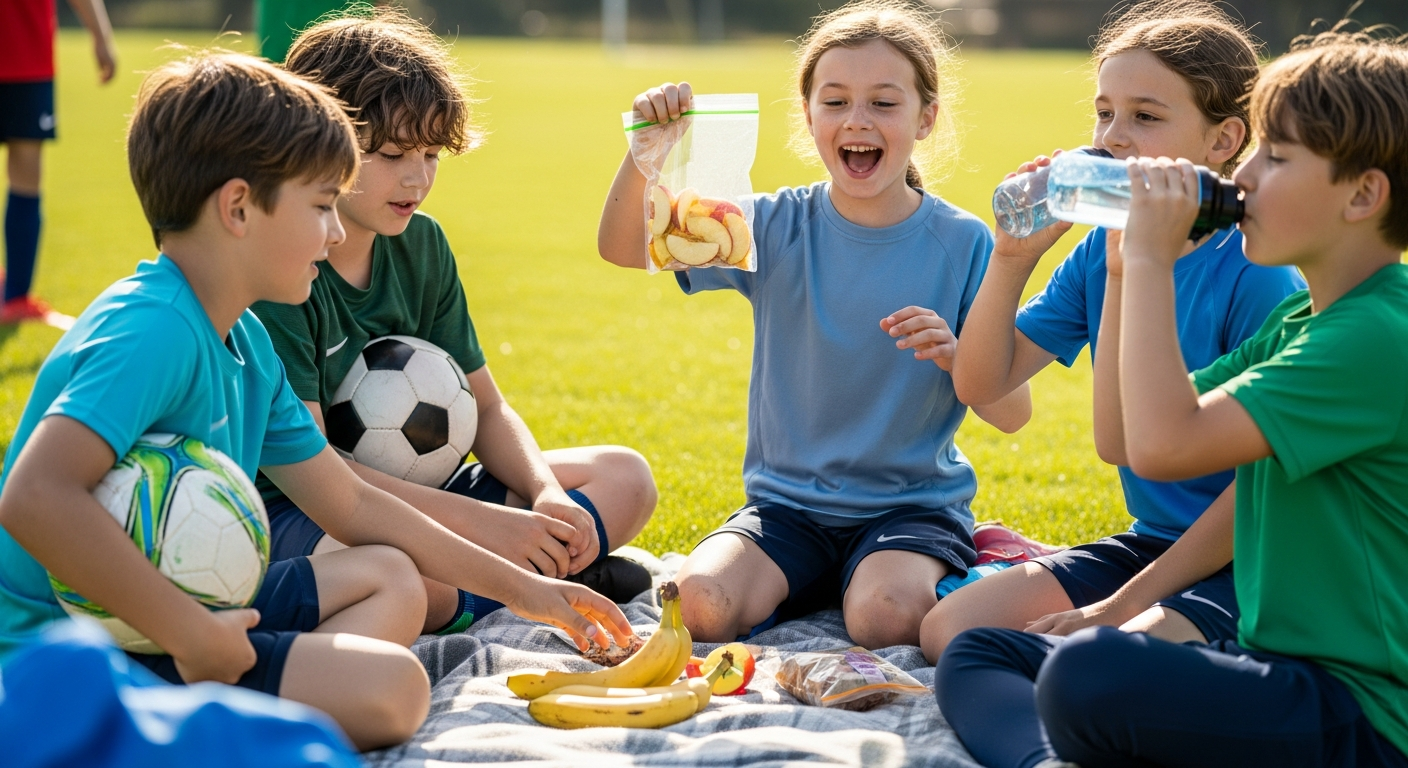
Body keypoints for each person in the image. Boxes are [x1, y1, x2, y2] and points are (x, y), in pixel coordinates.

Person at [0, 51, 631, 749]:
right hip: (74, 649)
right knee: (396, 690)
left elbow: (353, 503)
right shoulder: (151, 329)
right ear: (238, 207)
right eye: (323, 206)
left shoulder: (245, 340)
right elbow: (35, 497)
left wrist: (529, 592)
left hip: (189, 616)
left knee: (391, 575)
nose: (334, 233)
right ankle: (167, 722)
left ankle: (215, 712)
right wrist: (193, 635)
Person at [937, 29, 1408, 768]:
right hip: (1281, 661)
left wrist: (1150, 259)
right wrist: (1121, 267)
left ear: (1363, 194)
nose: (1245, 178)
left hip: (1363, 713)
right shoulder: (1306, 320)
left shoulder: (1372, 336)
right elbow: (1129, 438)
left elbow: (1162, 445)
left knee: (1089, 671)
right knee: (977, 650)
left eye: (1275, 158)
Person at [597, 0, 1031, 649]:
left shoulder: (964, 241)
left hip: (911, 509)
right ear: (809, 117)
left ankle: (961, 561)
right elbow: (624, 247)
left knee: (885, 617)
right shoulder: (769, 226)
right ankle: (816, 579)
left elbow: (1012, 413)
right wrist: (645, 158)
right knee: (701, 605)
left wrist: (958, 352)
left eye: (884, 102)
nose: (857, 120)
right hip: (785, 510)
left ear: (927, 117)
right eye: (836, 101)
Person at [919, 0, 1306, 664]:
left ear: (1223, 141)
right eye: (1104, 113)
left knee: (1105, 660)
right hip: (1154, 538)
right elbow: (981, 381)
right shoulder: (1101, 251)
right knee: (944, 630)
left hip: (1254, 552)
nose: (1111, 138)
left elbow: (1228, 485)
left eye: (1145, 117)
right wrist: (1013, 258)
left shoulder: (1257, 275)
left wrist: (1123, 604)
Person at [251, 11, 658, 638]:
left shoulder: (423, 245)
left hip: (432, 485)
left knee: (625, 477)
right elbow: (326, 475)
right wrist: (492, 529)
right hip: (309, 509)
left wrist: (544, 493)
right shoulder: (283, 270)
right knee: (410, 579)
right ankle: (505, 590)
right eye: (391, 155)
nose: (417, 177)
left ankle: (524, 575)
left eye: (431, 153)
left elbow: (488, 409)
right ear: (324, 142)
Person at [0, 0, 116, 326]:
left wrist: (101, 35)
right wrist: (101, 35)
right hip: (28, 55)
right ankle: (16, 298)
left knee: (27, 168)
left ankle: (17, 297)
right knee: (26, 169)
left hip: (28, 54)